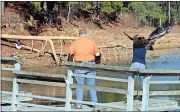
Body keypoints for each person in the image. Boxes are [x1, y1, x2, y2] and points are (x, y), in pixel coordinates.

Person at [68, 29, 101, 109]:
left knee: (79, 85)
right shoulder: (92, 42)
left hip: (79, 65)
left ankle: (79, 104)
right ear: (86, 34)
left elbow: (70, 56)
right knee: (91, 85)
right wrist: (97, 64)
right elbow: (97, 54)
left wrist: (70, 65)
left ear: (79, 35)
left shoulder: (75, 43)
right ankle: (94, 103)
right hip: (90, 65)